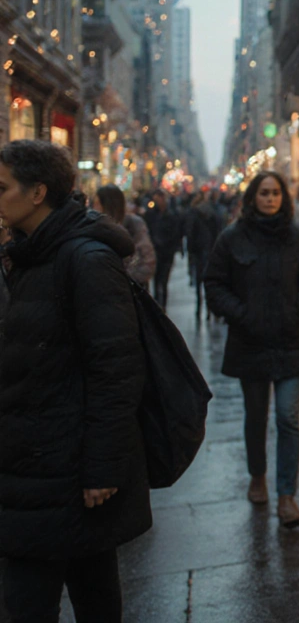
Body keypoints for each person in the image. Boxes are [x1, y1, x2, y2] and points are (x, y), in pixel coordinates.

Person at [0, 140, 151, 621]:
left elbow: (116, 368)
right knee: (90, 585)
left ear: (37, 192)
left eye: (1, 188)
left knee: (67, 596)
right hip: (31, 464)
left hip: (70, 468)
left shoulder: (85, 260)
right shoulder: (24, 255)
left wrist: (103, 468)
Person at [203, 171, 299, 528]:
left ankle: (287, 496)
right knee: (256, 417)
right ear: (253, 198)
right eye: (264, 193)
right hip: (250, 342)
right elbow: (214, 283)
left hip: (291, 340)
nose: (270, 199)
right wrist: (241, 314)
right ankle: (257, 476)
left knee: (287, 417)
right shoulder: (232, 237)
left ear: (284, 198)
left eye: (275, 193)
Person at [93, 184, 157, 288]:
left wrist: (126, 279)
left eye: (97, 203)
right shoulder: (96, 227)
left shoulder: (133, 224)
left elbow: (147, 259)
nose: (94, 208)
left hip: (130, 291)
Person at [185, 191, 224, 323]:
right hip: (211, 250)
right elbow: (218, 230)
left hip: (198, 250)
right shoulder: (213, 212)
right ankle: (210, 309)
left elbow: (190, 233)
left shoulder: (194, 213)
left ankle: (199, 308)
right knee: (210, 280)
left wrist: (190, 250)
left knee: (199, 280)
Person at [142, 188, 183, 306]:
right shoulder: (150, 214)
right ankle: (156, 304)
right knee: (156, 280)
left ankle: (162, 305)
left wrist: (173, 246)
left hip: (166, 252)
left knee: (163, 280)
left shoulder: (172, 214)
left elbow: (176, 232)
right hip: (155, 250)